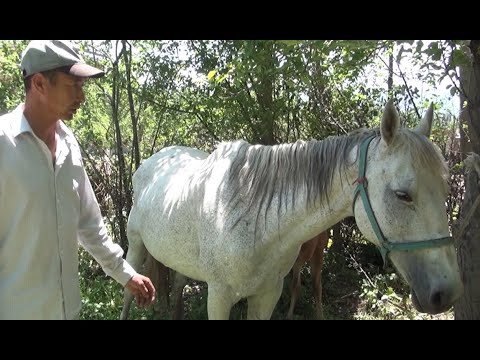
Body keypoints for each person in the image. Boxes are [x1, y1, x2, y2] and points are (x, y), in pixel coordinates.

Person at [0, 40, 155, 320]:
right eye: (73, 85)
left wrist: (125, 274)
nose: (81, 97)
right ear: (39, 84)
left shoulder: (69, 143)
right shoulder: (3, 145)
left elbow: (89, 225)